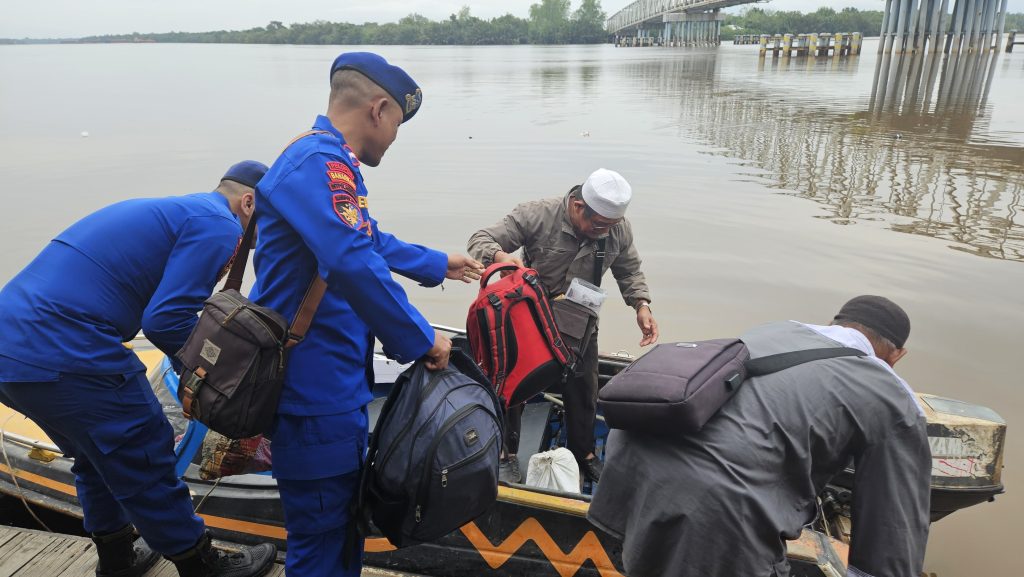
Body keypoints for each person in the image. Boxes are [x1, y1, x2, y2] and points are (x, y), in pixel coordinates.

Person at [248, 52, 484, 577]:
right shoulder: (319, 164)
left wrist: (436, 263)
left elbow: (366, 237)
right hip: (311, 392)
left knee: (343, 529)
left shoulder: (328, 164)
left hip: (335, 386)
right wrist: (422, 338)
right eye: (397, 122)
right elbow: (350, 258)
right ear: (378, 110)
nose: (394, 138)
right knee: (321, 539)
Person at [0, 161, 278, 577]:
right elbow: (166, 320)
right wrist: (215, 380)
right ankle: (200, 563)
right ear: (249, 203)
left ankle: (118, 557)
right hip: (63, 344)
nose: (265, 237)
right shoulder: (220, 225)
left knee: (95, 453)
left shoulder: (183, 211)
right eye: (270, 222)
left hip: (11, 347)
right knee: (145, 442)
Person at [588, 295, 931, 577]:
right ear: (897, 355)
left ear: (834, 323)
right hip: (715, 503)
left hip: (632, 457)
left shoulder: (780, 329)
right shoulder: (894, 397)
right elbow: (893, 536)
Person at [467, 168, 658, 483]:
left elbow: (629, 270)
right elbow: (479, 239)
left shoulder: (616, 229)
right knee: (513, 384)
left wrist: (641, 305)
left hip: (580, 319)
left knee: (585, 388)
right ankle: (506, 453)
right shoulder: (537, 214)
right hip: (530, 318)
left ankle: (584, 453)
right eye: (599, 225)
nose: (604, 232)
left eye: (611, 226)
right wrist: (501, 257)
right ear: (578, 206)